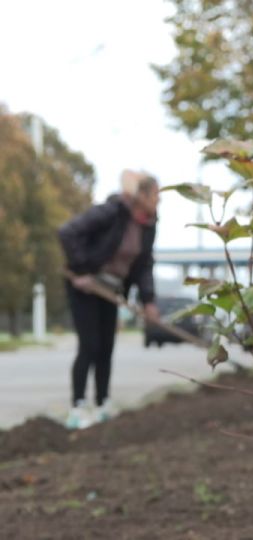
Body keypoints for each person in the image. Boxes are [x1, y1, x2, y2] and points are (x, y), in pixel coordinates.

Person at [58, 170, 161, 429]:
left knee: (106, 348)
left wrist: (148, 300)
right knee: (90, 345)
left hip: (112, 290)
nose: (159, 200)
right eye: (155, 194)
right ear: (141, 195)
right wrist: (82, 270)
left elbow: (144, 265)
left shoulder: (149, 225)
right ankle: (78, 407)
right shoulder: (111, 212)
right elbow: (68, 232)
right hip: (85, 286)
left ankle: (103, 404)